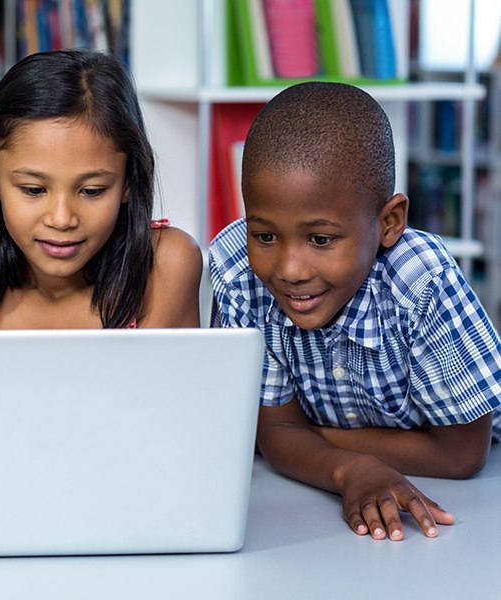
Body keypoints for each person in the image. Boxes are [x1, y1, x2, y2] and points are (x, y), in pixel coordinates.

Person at [209, 81, 501, 542]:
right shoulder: (238, 272)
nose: (289, 270)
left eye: (321, 239)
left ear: (389, 223)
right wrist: (350, 468)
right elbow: (271, 435)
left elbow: (462, 454)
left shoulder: (422, 281)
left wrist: (297, 435)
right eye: (265, 236)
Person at [0, 49, 203, 331]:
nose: (61, 219)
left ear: (128, 182)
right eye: (33, 190)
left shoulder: (165, 263)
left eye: (92, 191)